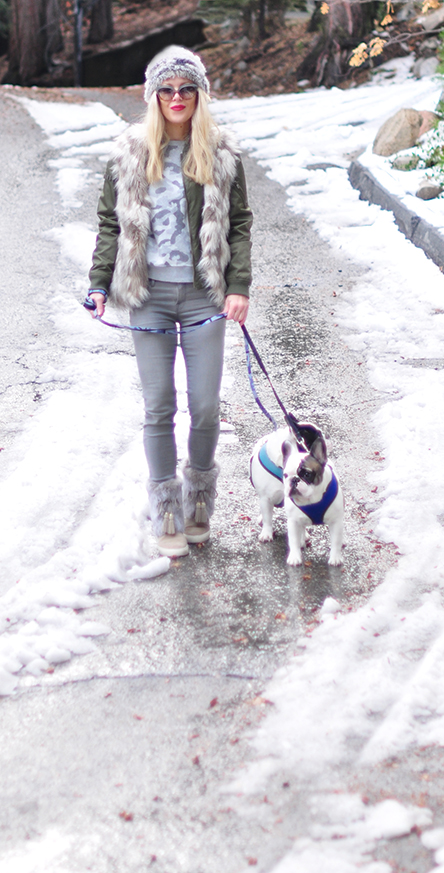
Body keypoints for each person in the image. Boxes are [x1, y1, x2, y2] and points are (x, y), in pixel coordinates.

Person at [86, 46, 253, 558]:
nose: (176, 98)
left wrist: (238, 285)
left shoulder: (222, 153)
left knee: (203, 407)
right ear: (153, 96)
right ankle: (166, 507)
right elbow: (111, 223)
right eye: (167, 90)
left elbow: (240, 224)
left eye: (186, 89)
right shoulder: (129, 154)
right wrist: (98, 282)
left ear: (199, 95)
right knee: (160, 407)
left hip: (205, 296)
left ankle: (200, 495)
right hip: (149, 297)